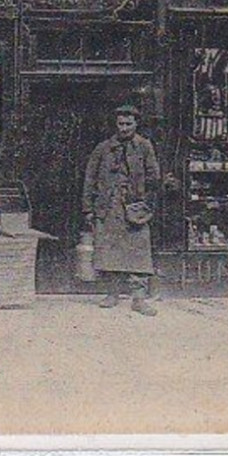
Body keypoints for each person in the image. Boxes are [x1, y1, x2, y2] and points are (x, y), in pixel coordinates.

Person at [82, 103, 162, 316]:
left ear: (136, 123)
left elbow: (154, 177)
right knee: (109, 250)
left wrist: (146, 202)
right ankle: (112, 293)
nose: (124, 128)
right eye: (120, 124)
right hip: (108, 207)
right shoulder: (103, 148)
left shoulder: (144, 146)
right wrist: (88, 208)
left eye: (128, 123)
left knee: (138, 252)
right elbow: (89, 178)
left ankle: (139, 298)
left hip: (134, 209)